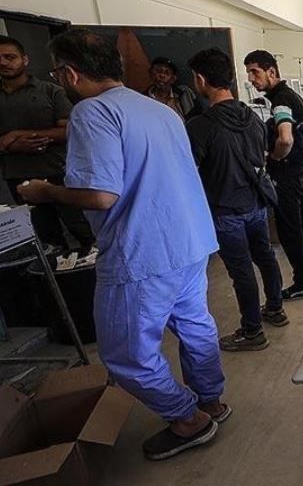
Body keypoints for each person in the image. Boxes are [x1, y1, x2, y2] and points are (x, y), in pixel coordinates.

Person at [16, 30, 227, 460]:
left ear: (70, 74)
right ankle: (211, 401)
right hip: (189, 240)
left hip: (143, 251)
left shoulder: (92, 112)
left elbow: (100, 196)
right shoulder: (160, 110)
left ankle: (188, 418)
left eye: (57, 74)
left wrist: (44, 191)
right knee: (195, 325)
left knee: (125, 353)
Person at [186, 48, 287, 352]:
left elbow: (189, 172)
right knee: (265, 256)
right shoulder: (253, 118)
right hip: (256, 204)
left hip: (226, 210)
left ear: (201, 79)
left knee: (241, 269)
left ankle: (252, 330)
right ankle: (275, 308)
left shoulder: (200, 126)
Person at [0, 35, 95, 251]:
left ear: (24, 60)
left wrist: (17, 133)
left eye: (9, 57)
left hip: (59, 171)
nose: (3, 63)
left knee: (83, 229)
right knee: (45, 238)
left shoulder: (51, 91)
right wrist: (11, 145)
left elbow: (72, 130)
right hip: (18, 177)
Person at [244, 50, 303, 301]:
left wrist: (274, 157)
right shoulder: (292, 96)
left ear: (271, 71)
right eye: (248, 73)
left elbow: (285, 139)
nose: (251, 78)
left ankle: (301, 283)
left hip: (287, 175)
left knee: (290, 231)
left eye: (255, 72)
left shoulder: (281, 100)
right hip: (300, 172)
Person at [143, 57, 201, 121]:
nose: (162, 75)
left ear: (173, 79)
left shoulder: (185, 93)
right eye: (158, 71)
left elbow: (197, 117)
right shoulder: (143, 98)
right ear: (151, 74)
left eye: (167, 72)